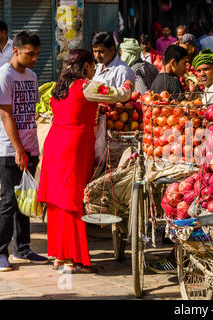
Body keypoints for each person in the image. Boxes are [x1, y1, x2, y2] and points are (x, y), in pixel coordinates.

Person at [37, 49, 132, 273]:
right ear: (87, 66)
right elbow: (119, 94)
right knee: (72, 201)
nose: (93, 70)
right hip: (74, 146)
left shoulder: (57, 87)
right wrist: (128, 84)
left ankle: (60, 256)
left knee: (57, 202)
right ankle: (73, 259)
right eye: (92, 66)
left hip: (55, 143)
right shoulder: (85, 86)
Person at [0, 31, 48, 271]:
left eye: (36, 54)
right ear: (16, 51)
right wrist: (18, 149)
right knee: (9, 200)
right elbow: (6, 115)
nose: (34, 58)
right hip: (9, 149)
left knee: (25, 199)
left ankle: (23, 248)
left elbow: (30, 111)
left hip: (30, 146)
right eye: (29, 54)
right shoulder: (3, 76)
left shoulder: (33, 76)